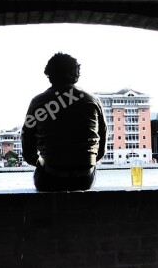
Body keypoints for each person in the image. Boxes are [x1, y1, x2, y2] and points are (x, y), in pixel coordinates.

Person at [22, 53, 107, 191]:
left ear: (49, 74)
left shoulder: (38, 102)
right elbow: (102, 146)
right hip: (84, 178)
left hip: (50, 177)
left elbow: (27, 144)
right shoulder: (93, 101)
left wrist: (42, 161)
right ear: (76, 74)